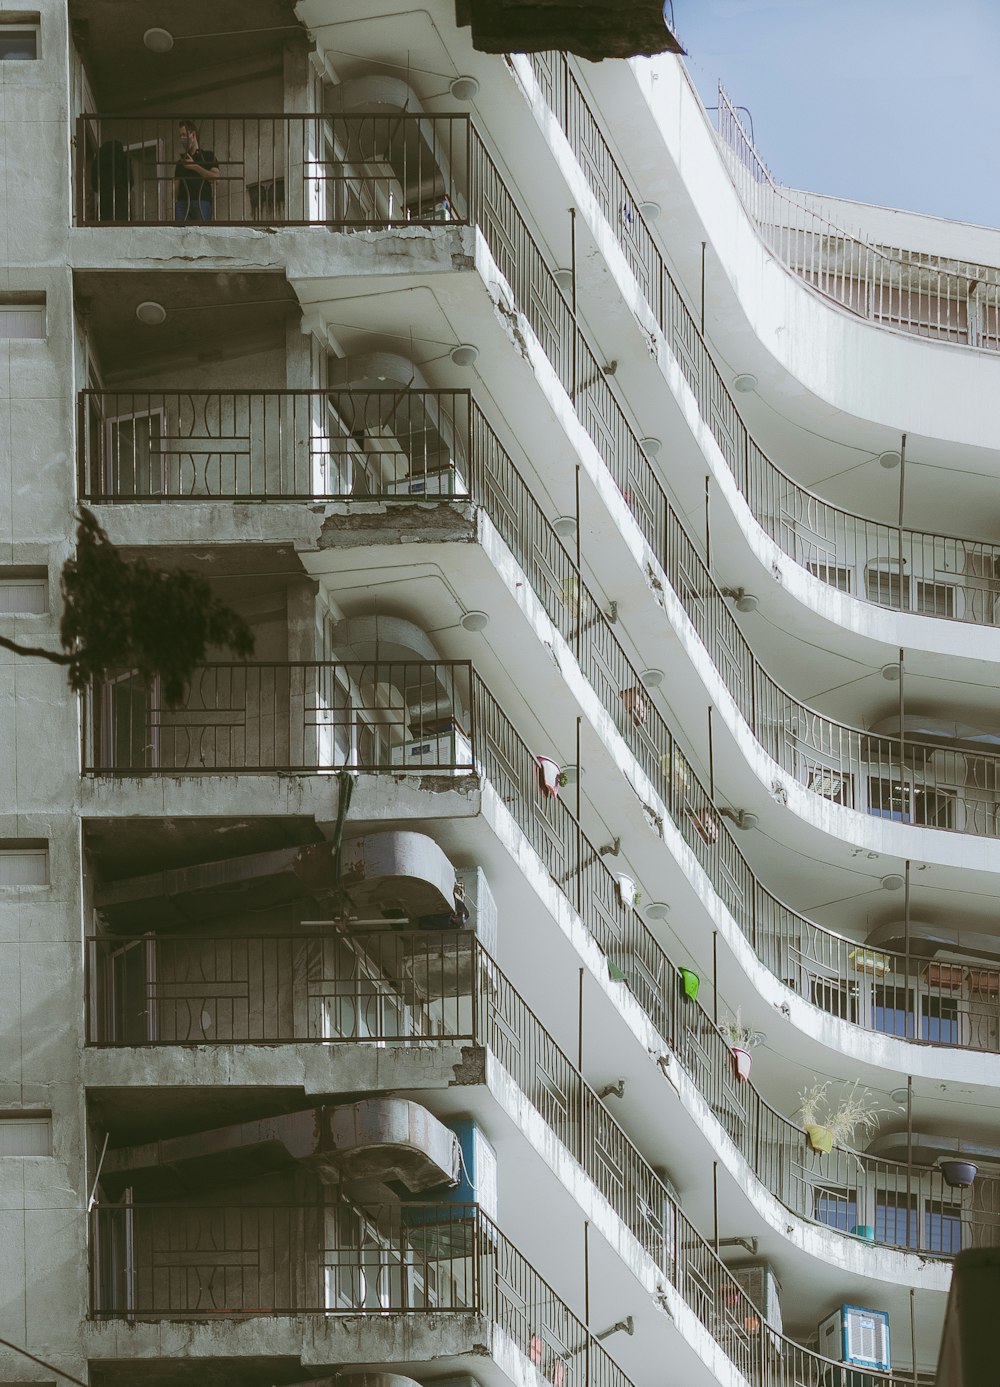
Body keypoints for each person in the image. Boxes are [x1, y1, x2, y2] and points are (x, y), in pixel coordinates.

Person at [174, 119, 220, 223]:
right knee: (180, 237)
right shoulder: (181, 162)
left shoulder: (208, 156)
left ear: (193, 135)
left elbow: (216, 179)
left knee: (201, 235)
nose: (182, 138)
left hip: (201, 202)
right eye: (180, 136)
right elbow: (176, 188)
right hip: (182, 204)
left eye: (184, 134)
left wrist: (194, 166)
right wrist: (176, 202)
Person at [91, 139, 130, 222]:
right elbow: (130, 181)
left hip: (104, 198)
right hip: (121, 198)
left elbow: (94, 184)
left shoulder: (99, 160)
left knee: (103, 226)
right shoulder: (124, 158)